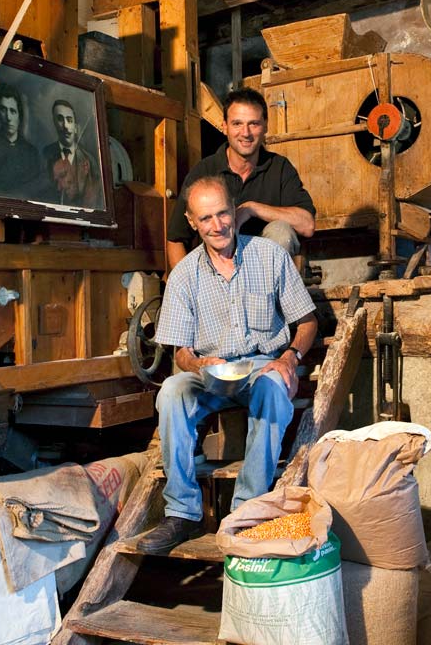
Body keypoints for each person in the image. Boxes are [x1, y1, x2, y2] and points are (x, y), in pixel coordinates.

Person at [134, 175, 318, 554]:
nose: (217, 226)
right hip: (210, 373)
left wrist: (290, 357)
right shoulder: (184, 275)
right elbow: (181, 352)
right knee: (171, 392)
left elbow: (307, 322)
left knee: (273, 388)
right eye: (206, 218)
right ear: (192, 222)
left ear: (234, 211)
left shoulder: (270, 256)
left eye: (222, 214)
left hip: (261, 366)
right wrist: (199, 362)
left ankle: (246, 511)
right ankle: (183, 513)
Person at [165, 87, 315, 271]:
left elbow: (307, 225)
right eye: (237, 124)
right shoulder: (204, 172)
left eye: (254, 124)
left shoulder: (280, 168)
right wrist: (186, 284)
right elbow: (176, 239)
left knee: (281, 231)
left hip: (264, 273)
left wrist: (252, 209)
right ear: (224, 126)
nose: (245, 133)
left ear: (266, 126)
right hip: (215, 273)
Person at [0, 82, 40, 193]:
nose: (8, 117)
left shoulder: (31, 152)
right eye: (3, 110)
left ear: (19, 115)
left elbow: (34, 190)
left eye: (13, 111)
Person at [42, 99, 103, 208]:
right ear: (54, 123)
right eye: (60, 119)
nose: (65, 126)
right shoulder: (46, 155)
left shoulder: (89, 159)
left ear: (75, 126)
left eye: (69, 120)